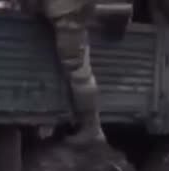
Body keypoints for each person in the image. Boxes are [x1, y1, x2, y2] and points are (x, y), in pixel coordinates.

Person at [15, 0, 107, 144]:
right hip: (70, 8)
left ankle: (92, 128)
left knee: (77, 68)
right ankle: (87, 124)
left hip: (66, 9)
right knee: (77, 62)